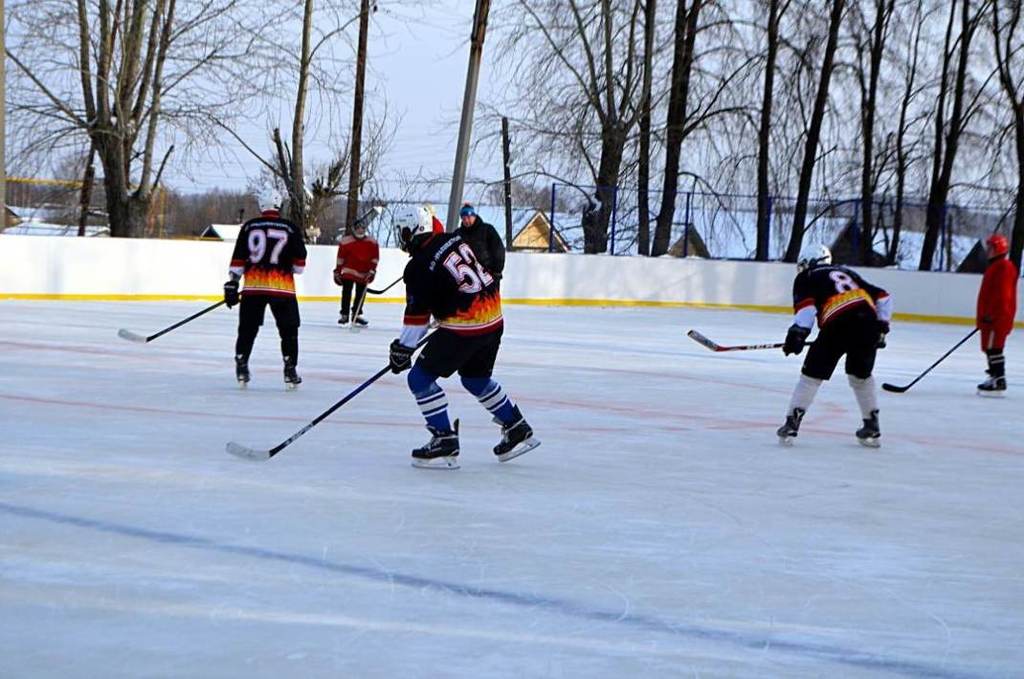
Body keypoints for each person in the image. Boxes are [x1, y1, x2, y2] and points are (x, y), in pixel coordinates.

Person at [387, 206, 539, 469]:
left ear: (409, 231)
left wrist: (403, 349)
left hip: (465, 329)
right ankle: (515, 425)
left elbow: (417, 316)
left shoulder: (418, 267)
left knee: (419, 379)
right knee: (475, 378)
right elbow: (456, 281)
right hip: (494, 319)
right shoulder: (453, 238)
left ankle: (444, 436)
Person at [776, 244, 893, 447]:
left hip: (837, 325)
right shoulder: (847, 272)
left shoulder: (807, 277)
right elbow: (883, 296)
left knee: (811, 376)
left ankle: (792, 422)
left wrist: (798, 334)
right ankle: (872, 425)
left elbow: (806, 310)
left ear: (808, 263)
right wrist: (881, 328)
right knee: (861, 376)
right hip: (868, 325)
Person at [224, 190, 307, 389]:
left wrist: (232, 283)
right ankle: (290, 368)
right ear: (279, 205)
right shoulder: (290, 228)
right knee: (289, 330)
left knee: (247, 329)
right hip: (283, 289)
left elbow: (238, 261)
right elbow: (299, 266)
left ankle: (242, 362)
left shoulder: (249, 226)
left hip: (253, 287)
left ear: (262, 205)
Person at [976, 233, 1018, 395]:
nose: (988, 251)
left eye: (991, 247)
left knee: (995, 348)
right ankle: (994, 376)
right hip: (989, 318)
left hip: (997, 318)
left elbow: (1003, 295)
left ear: (999, 249)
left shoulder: (1004, 267)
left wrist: (993, 315)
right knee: (989, 348)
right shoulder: (995, 266)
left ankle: (999, 380)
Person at [333, 220, 380, 327]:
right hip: (348, 270)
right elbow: (340, 258)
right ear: (354, 229)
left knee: (361, 293)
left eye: (363, 227)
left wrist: (372, 270)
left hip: (364, 272)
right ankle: (344, 314)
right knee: (346, 291)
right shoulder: (345, 241)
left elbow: (375, 258)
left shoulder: (372, 242)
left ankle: (357, 314)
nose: (360, 229)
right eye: (358, 227)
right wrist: (337, 270)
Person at [456, 203, 505, 280]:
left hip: (488, 273)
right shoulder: (458, 234)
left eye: (469, 217)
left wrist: (497, 270)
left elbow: (498, 250)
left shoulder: (487, 230)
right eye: (464, 218)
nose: (466, 220)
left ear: (474, 216)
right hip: (468, 276)